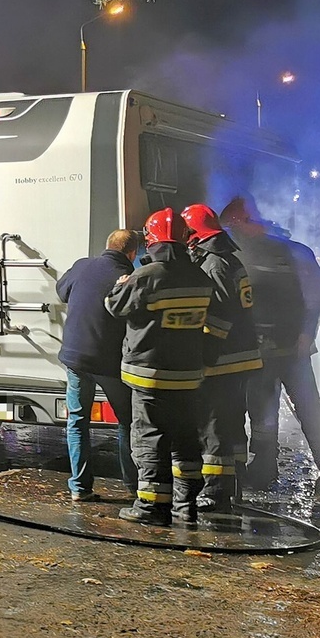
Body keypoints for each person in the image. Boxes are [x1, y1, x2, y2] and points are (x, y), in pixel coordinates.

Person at [224, 196, 320, 494]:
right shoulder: (236, 253)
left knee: (309, 409)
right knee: (262, 412)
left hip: (292, 350)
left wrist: (307, 334)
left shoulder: (293, 252)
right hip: (259, 350)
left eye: (235, 225)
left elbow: (316, 296)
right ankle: (263, 469)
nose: (233, 232)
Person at [106, 209, 213, 526]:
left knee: (150, 441)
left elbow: (114, 306)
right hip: (188, 377)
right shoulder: (200, 276)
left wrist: (121, 284)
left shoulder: (147, 276)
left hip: (150, 376)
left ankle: (152, 507)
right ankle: (186, 506)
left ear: (151, 240)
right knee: (185, 441)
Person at [183, 203, 262, 516]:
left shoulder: (213, 264)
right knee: (232, 424)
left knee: (214, 425)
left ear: (196, 234)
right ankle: (235, 480)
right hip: (241, 356)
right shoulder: (228, 258)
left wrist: (205, 356)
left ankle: (215, 492)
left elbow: (218, 316)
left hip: (223, 358)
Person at [56, 229, 142, 502]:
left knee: (77, 421)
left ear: (108, 245)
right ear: (131, 253)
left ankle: (79, 488)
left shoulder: (82, 265)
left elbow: (61, 291)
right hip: (109, 362)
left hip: (75, 357)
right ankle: (134, 486)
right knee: (128, 421)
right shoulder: (130, 276)